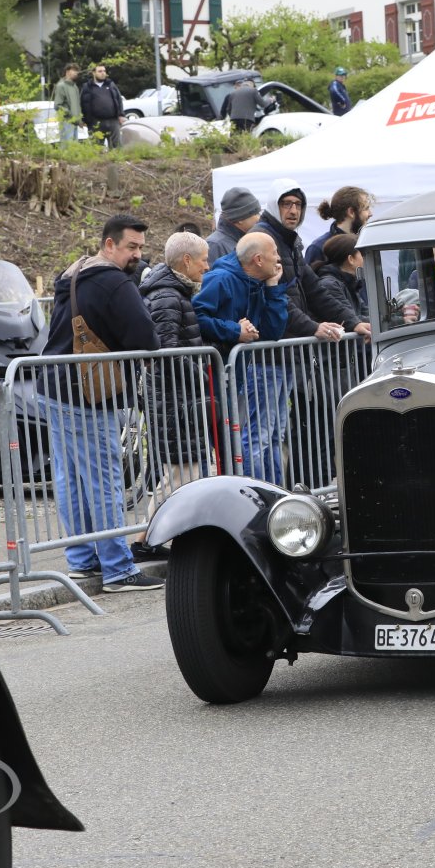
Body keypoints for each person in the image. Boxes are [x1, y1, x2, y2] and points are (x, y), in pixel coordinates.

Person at [41, 214, 163, 591]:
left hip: (54, 387)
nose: (137, 255)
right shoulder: (114, 282)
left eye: (141, 247)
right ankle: (118, 569)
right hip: (89, 394)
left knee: (71, 480)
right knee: (104, 481)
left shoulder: (74, 273)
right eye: (131, 247)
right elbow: (146, 337)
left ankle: (82, 561)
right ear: (109, 244)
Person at [194, 232, 290, 481]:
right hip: (211, 377)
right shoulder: (221, 279)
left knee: (232, 443)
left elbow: (272, 332)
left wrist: (273, 289)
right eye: (274, 253)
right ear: (258, 259)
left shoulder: (259, 283)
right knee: (221, 445)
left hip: (234, 375)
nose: (278, 259)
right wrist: (234, 331)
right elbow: (197, 316)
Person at [138, 231, 213, 520]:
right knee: (179, 477)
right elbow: (166, 352)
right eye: (204, 260)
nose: (207, 266)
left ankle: (155, 535)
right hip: (174, 402)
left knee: (183, 476)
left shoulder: (174, 292)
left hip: (179, 399)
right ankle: (147, 537)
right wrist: (200, 376)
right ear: (187, 260)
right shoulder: (167, 296)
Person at [252, 179, 356, 338]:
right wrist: (312, 327)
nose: (294, 211)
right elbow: (275, 296)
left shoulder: (290, 241)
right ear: (274, 205)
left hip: (292, 341)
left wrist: (354, 322)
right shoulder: (261, 238)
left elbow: (315, 291)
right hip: (273, 342)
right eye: (287, 204)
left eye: (298, 204)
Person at [312, 233, 371, 336]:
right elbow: (354, 318)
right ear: (351, 259)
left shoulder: (350, 283)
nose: (366, 259)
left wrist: (394, 318)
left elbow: (367, 314)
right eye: (362, 255)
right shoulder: (330, 285)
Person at [305, 185, 373, 268]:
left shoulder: (364, 243)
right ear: (351, 212)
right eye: (366, 208)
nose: (370, 214)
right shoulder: (318, 248)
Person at [207, 187, 262, 264]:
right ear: (240, 218)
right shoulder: (215, 245)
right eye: (256, 213)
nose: (259, 218)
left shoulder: (248, 242)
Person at [80, 64, 124, 148]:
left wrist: (121, 114)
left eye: (104, 71)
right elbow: (82, 103)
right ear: (94, 73)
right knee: (97, 148)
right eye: (100, 71)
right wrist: (84, 119)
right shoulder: (87, 87)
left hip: (113, 121)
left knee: (117, 147)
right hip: (95, 123)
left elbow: (118, 99)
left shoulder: (110, 84)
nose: (103, 73)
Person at [51, 63, 82, 145]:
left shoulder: (75, 87)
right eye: (74, 70)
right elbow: (57, 105)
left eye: (77, 71)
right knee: (67, 147)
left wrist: (79, 120)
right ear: (67, 72)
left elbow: (77, 105)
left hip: (75, 122)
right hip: (66, 122)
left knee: (74, 148)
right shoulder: (61, 86)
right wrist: (70, 114)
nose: (76, 73)